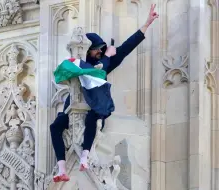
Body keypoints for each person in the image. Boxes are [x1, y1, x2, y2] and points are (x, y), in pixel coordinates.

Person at [50, 4, 159, 182]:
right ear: (88, 50)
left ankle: (84, 156)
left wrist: (146, 24)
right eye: (97, 48)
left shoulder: (102, 65)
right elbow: (88, 70)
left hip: (95, 105)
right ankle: (62, 168)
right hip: (73, 105)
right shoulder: (80, 64)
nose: (100, 51)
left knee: (93, 118)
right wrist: (107, 57)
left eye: (102, 48)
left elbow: (124, 49)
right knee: (55, 126)